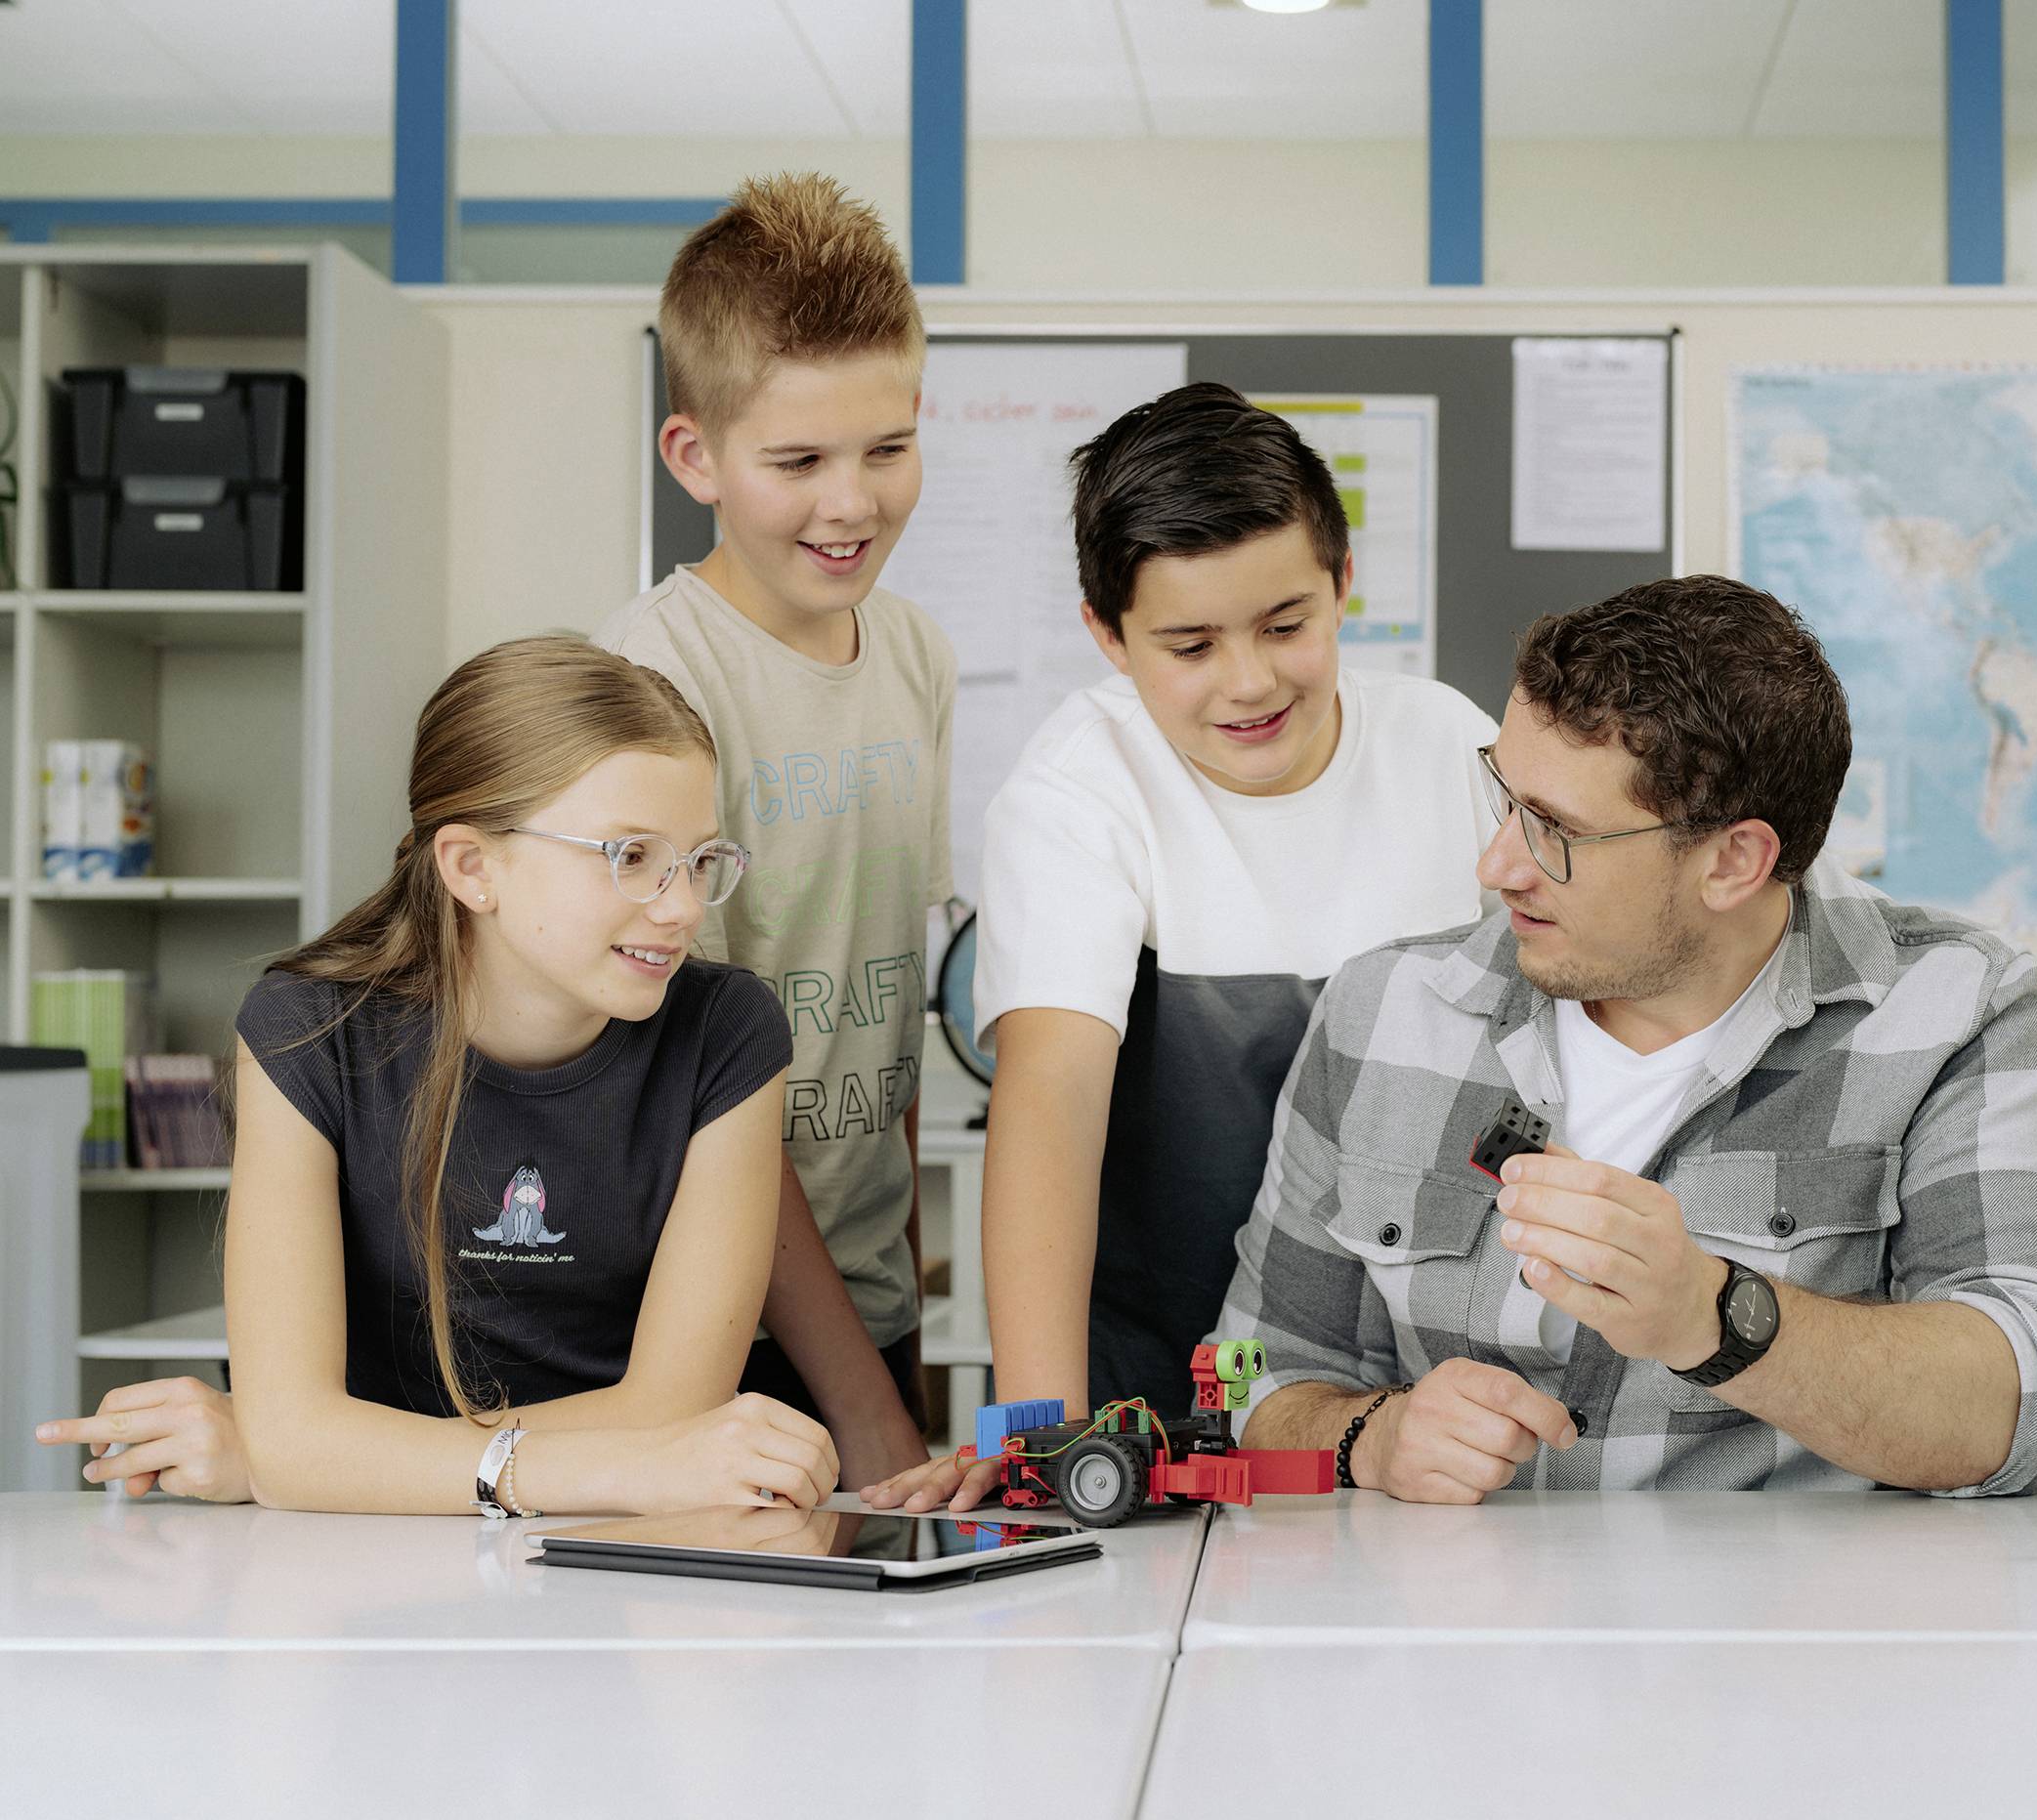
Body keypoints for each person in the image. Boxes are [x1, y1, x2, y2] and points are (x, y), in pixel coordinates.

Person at [1154, 576, 2037, 1503]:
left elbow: (2029, 1402)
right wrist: (1369, 1437)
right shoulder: (1383, 1010)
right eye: (1506, 798)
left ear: (1733, 861)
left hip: (1787, 1605)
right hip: (1449, 1602)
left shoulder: (1958, 1010)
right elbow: (1246, 1382)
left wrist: (1715, 1316)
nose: (1497, 864)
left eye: (1555, 829)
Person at [41, 639, 833, 1515]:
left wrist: (326, 1457)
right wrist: (303, 1453)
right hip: (354, 1558)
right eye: (630, 855)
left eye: (699, 859)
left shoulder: (727, 1031)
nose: (681, 905)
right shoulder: (306, 1029)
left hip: (601, 1546)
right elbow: (298, 1444)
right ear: (471, 867)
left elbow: (671, 1415)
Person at [946, 383, 1502, 1430]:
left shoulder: (1452, 748)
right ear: (1109, 636)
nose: (1248, 682)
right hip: (1159, 1375)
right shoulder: (1077, 791)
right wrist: (1036, 1437)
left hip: (1427, 1383)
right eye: (1190, 646)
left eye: (1285, 625)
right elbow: (1048, 1109)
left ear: (1342, 583)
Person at [594, 172, 951, 1489]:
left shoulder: (913, 655)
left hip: (865, 1294)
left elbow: (890, 997)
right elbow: (699, 1070)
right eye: (796, 462)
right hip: (708, 1314)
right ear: (694, 456)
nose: (849, 503)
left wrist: (895, 1318)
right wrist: (865, 1403)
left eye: (885, 449)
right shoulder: (654, 677)